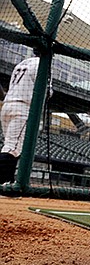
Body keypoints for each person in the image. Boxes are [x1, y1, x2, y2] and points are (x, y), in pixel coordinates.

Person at [0, 51, 45, 184]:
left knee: (11, 146)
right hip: (23, 108)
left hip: (7, 105)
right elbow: (46, 91)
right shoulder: (41, 64)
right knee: (12, 148)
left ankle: (8, 181)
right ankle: (3, 182)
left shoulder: (22, 63)